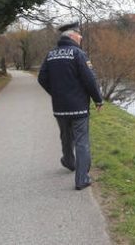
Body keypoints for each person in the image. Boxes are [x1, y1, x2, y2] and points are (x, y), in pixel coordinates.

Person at [38, 22, 103, 191]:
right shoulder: (78, 54)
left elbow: (42, 78)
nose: (81, 37)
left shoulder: (50, 55)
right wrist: (98, 99)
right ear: (72, 35)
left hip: (59, 107)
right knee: (82, 142)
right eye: (79, 34)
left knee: (66, 136)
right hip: (79, 107)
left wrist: (56, 93)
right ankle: (81, 179)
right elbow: (90, 80)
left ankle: (68, 161)